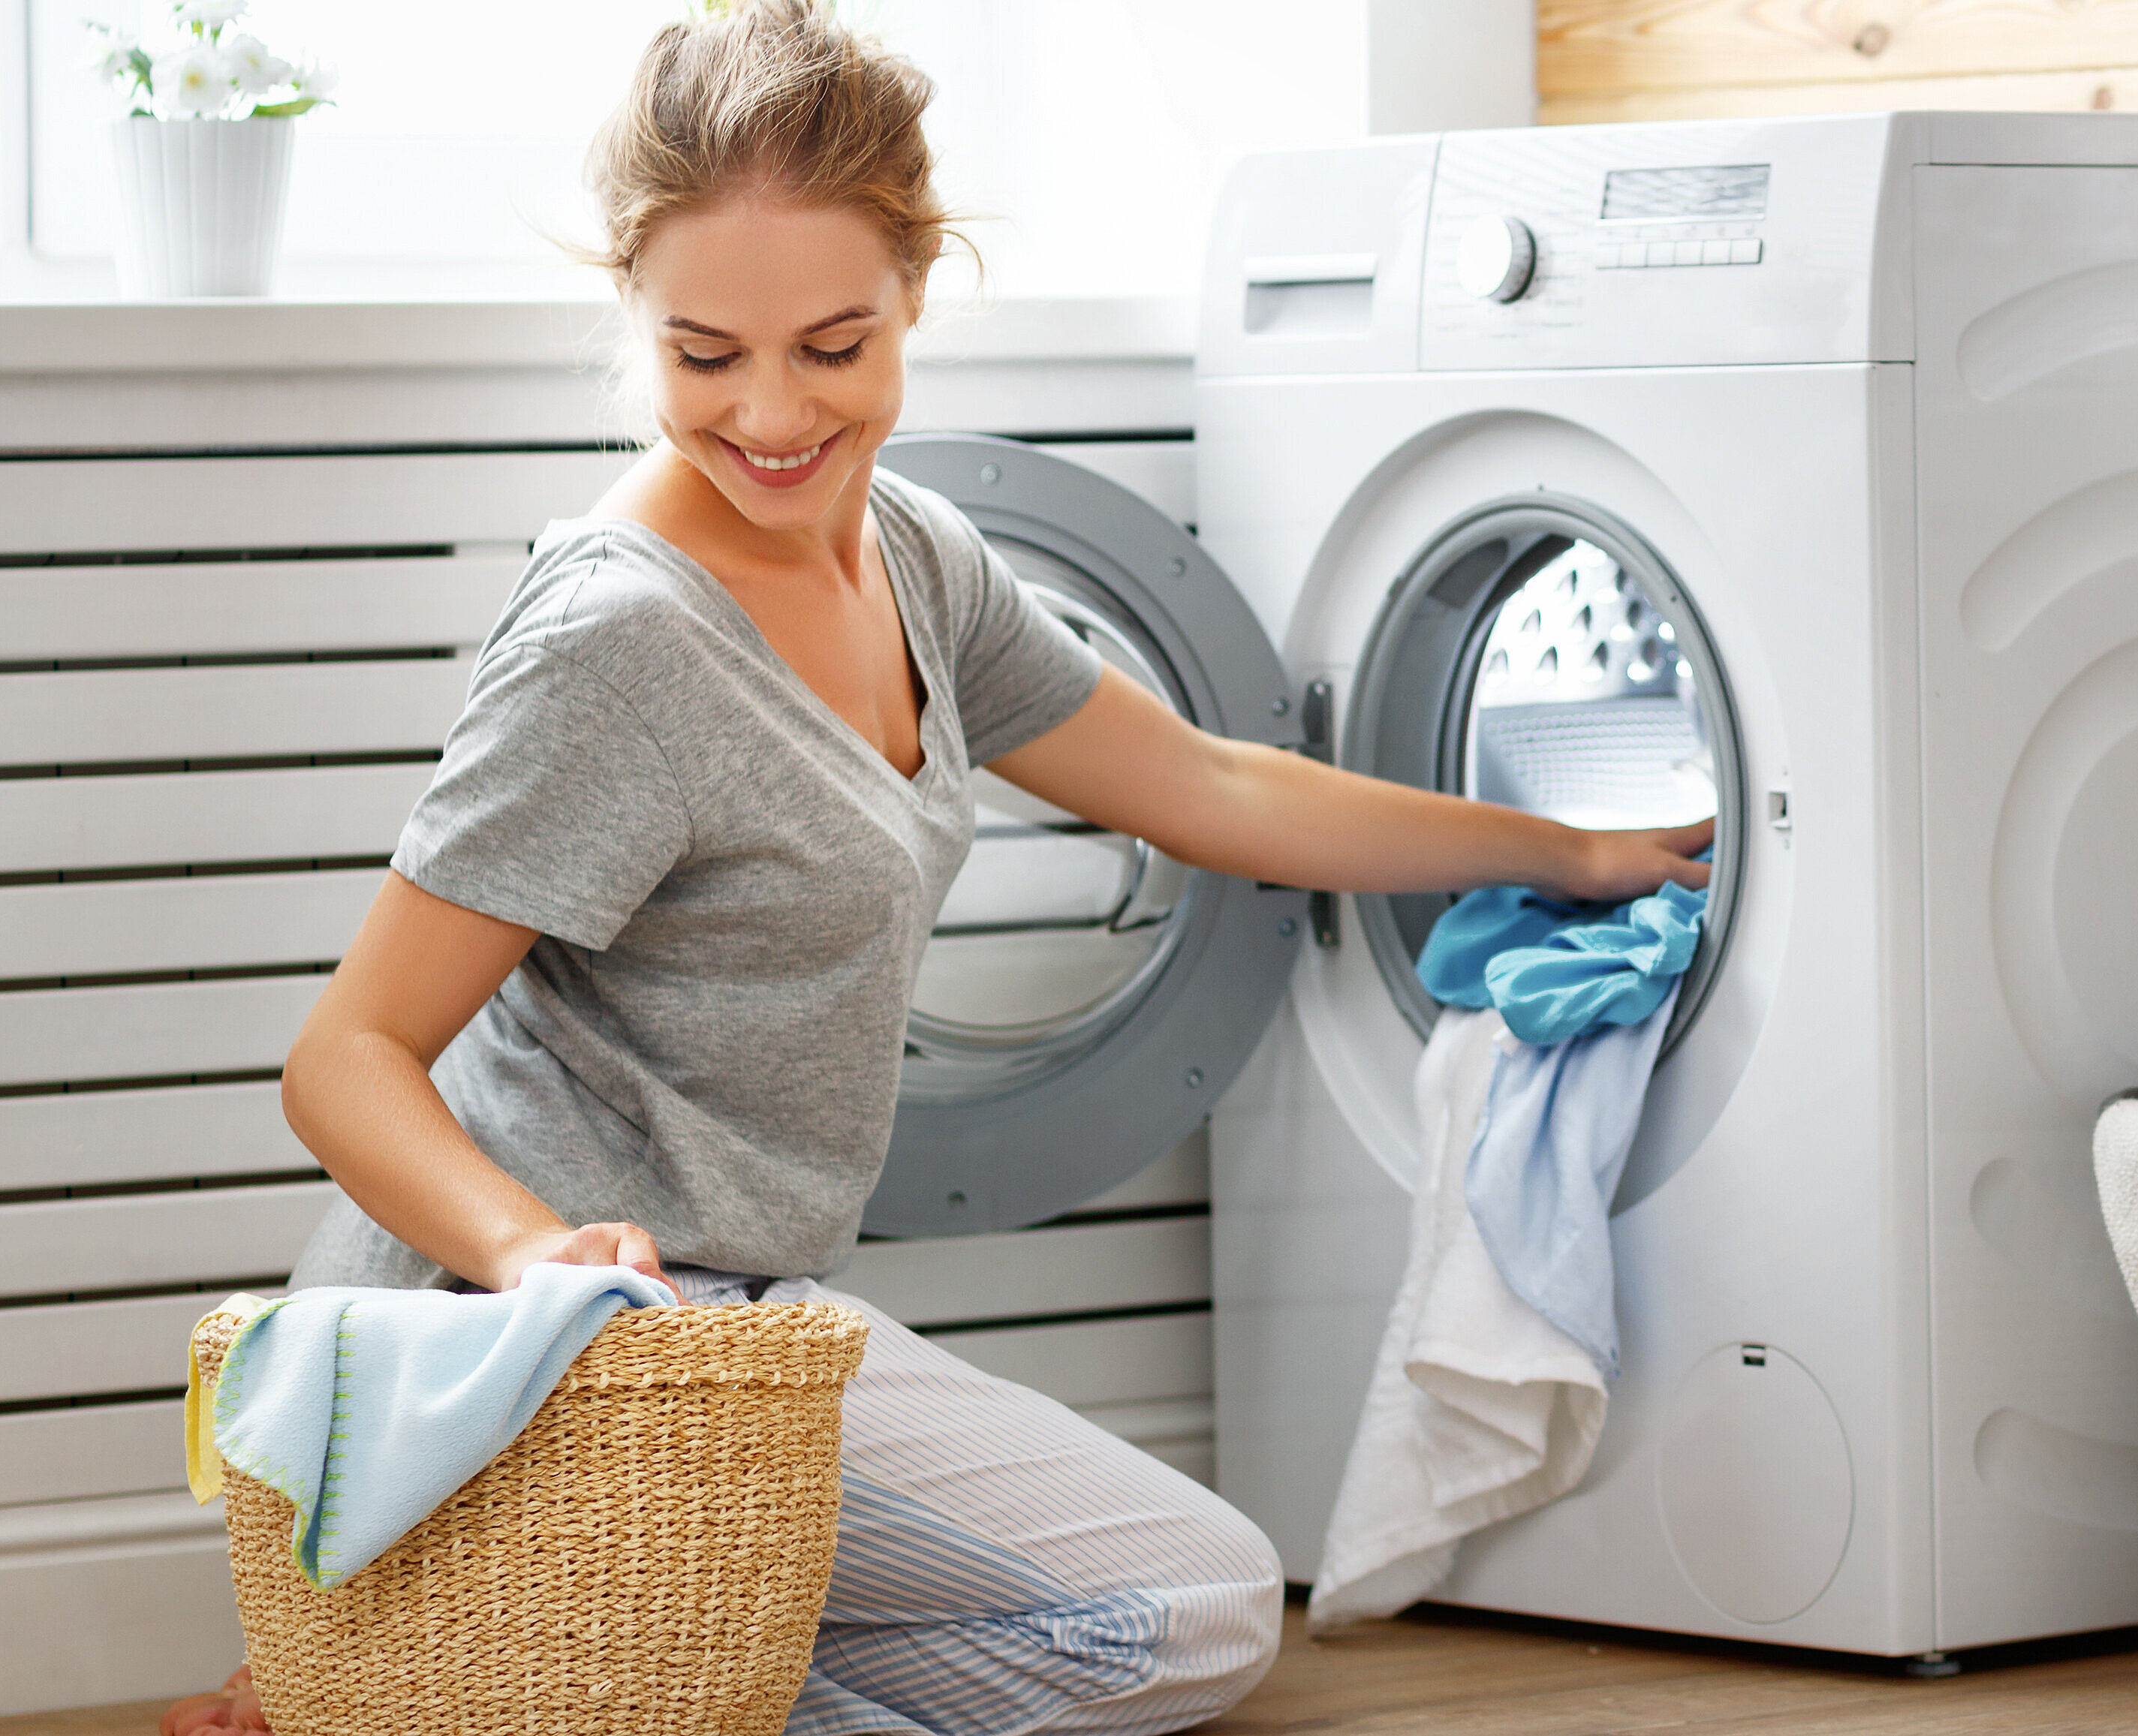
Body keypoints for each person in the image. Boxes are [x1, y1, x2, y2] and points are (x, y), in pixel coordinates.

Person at [158, 5, 1709, 1733]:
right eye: (701, 353)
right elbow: (345, 1059)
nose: (764, 413)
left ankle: (479, 1689)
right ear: (632, 316)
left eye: (831, 346)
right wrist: (536, 1256)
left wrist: (1566, 843)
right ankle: (481, 1673)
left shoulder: (912, 556)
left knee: (1171, 1604)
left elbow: (1203, 784)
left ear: (918, 289)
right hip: (549, 1342)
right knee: (1188, 1613)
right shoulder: (619, 639)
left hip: (746, 1320)